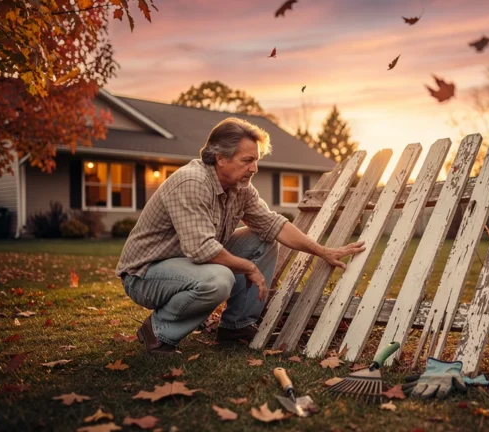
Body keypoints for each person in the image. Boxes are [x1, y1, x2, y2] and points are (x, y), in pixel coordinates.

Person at [115, 118, 365, 355]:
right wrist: (248, 267)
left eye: (256, 160)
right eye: (247, 160)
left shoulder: (240, 187)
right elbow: (202, 249)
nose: (254, 168)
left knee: (262, 239)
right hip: (146, 275)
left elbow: (274, 225)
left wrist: (323, 251)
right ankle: (159, 332)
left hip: (187, 264)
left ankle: (236, 327)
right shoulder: (191, 182)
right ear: (220, 158)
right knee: (219, 279)